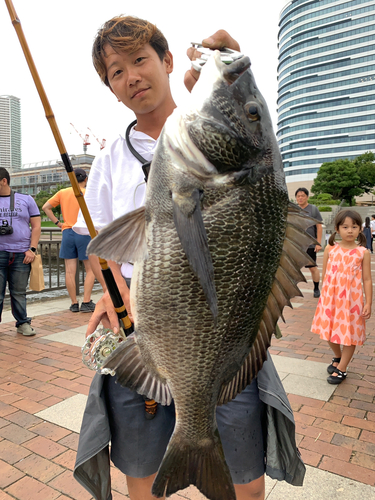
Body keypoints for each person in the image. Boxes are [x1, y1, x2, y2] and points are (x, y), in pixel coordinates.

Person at [73, 16, 305, 500]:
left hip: (226, 335)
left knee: (246, 481)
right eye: (117, 72)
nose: (132, 76)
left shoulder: (218, 143)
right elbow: (102, 245)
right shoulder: (111, 158)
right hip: (143, 328)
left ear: (168, 61)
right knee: (141, 476)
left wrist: (233, 77)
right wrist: (114, 294)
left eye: (140, 60)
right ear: (111, 89)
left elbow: (253, 142)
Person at [311, 210, 372, 384]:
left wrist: (368, 303)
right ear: (337, 229)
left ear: (360, 229)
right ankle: (338, 356)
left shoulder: (363, 252)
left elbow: (367, 279)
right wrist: (324, 294)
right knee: (328, 332)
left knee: (349, 333)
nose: (350, 230)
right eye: (345, 227)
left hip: (351, 301)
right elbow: (325, 274)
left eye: (354, 226)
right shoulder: (331, 249)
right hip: (331, 299)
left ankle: (342, 368)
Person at [42, 168, 100, 312]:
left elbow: (46, 207)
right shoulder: (88, 194)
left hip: (67, 232)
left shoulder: (63, 193)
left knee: (69, 271)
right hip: (84, 232)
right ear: (85, 180)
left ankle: (74, 303)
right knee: (91, 269)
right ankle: (86, 302)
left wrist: (58, 223)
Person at [0, 167, 41, 336]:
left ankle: (22, 322)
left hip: (21, 254)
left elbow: (37, 226)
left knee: (18, 292)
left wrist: (32, 249)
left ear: (4, 181)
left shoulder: (26, 199)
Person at [295, 188, 323, 298]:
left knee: (312, 268)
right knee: (293, 269)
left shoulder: (313, 209)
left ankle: (316, 288)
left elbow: (319, 227)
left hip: (310, 244)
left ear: (307, 197)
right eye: (298, 196)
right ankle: (292, 291)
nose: (300, 198)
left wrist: (318, 243)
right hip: (296, 245)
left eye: (302, 195)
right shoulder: (293, 209)